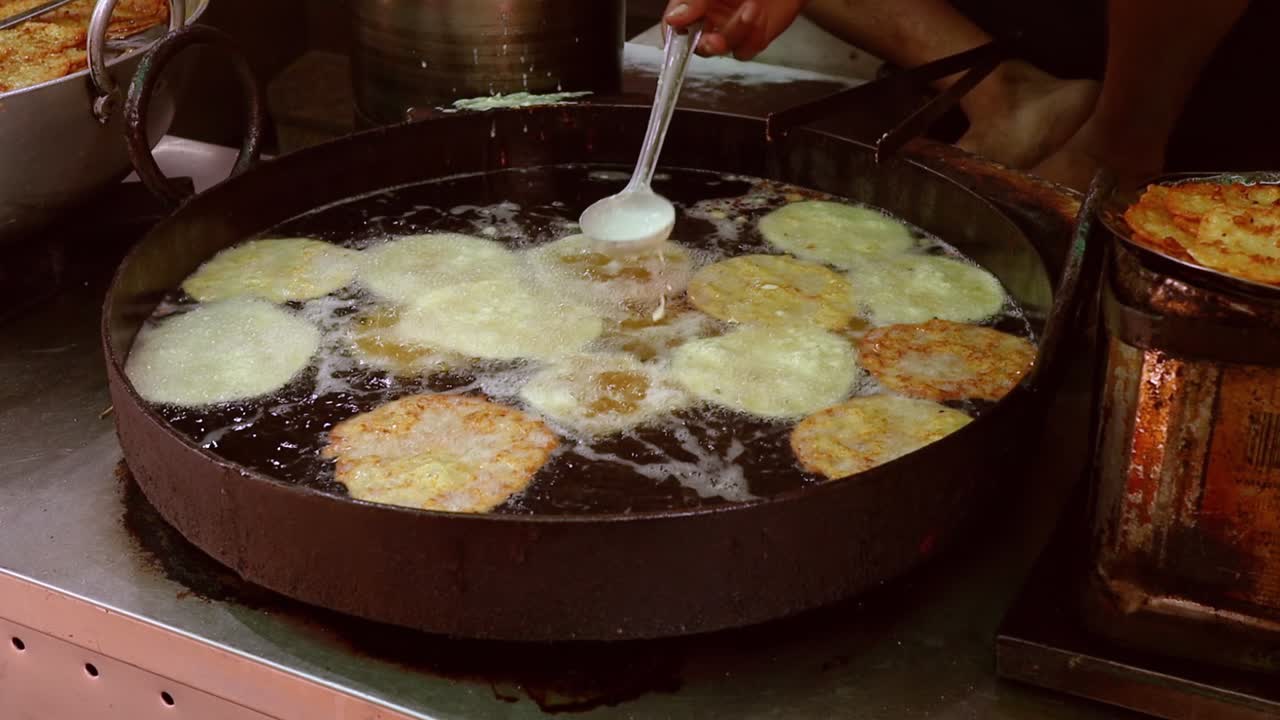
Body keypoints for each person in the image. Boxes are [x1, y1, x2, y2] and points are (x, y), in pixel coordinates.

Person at [663, 0, 1251, 191]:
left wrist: (1123, 140)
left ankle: (1117, 145)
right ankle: (1005, 94)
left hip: (1197, 72)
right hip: (983, 35)